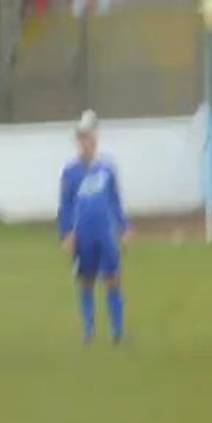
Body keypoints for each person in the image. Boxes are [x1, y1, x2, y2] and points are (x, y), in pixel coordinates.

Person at [58, 111, 133, 344]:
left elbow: (115, 201)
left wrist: (124, 227)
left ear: (95, 140)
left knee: (113, 278)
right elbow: (66, 205)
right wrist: (66, 233)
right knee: (86, 281)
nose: (86, 143)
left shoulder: (107, 169)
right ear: (78, 142)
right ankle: (89, 330)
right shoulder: (71, 173)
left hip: (105, 234)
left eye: (89, 138)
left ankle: (117, 330)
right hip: (83, 236)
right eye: (82, 139)